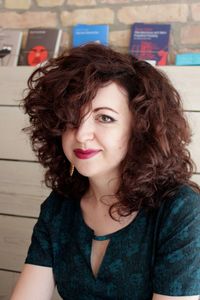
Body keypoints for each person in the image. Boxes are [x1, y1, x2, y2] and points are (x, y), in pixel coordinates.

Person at [11, 43, 200, 300]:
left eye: (105, 118)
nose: (81, 134)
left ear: (140, 128)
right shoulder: (59, 207)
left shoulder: (180, 209)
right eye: (71, 118)